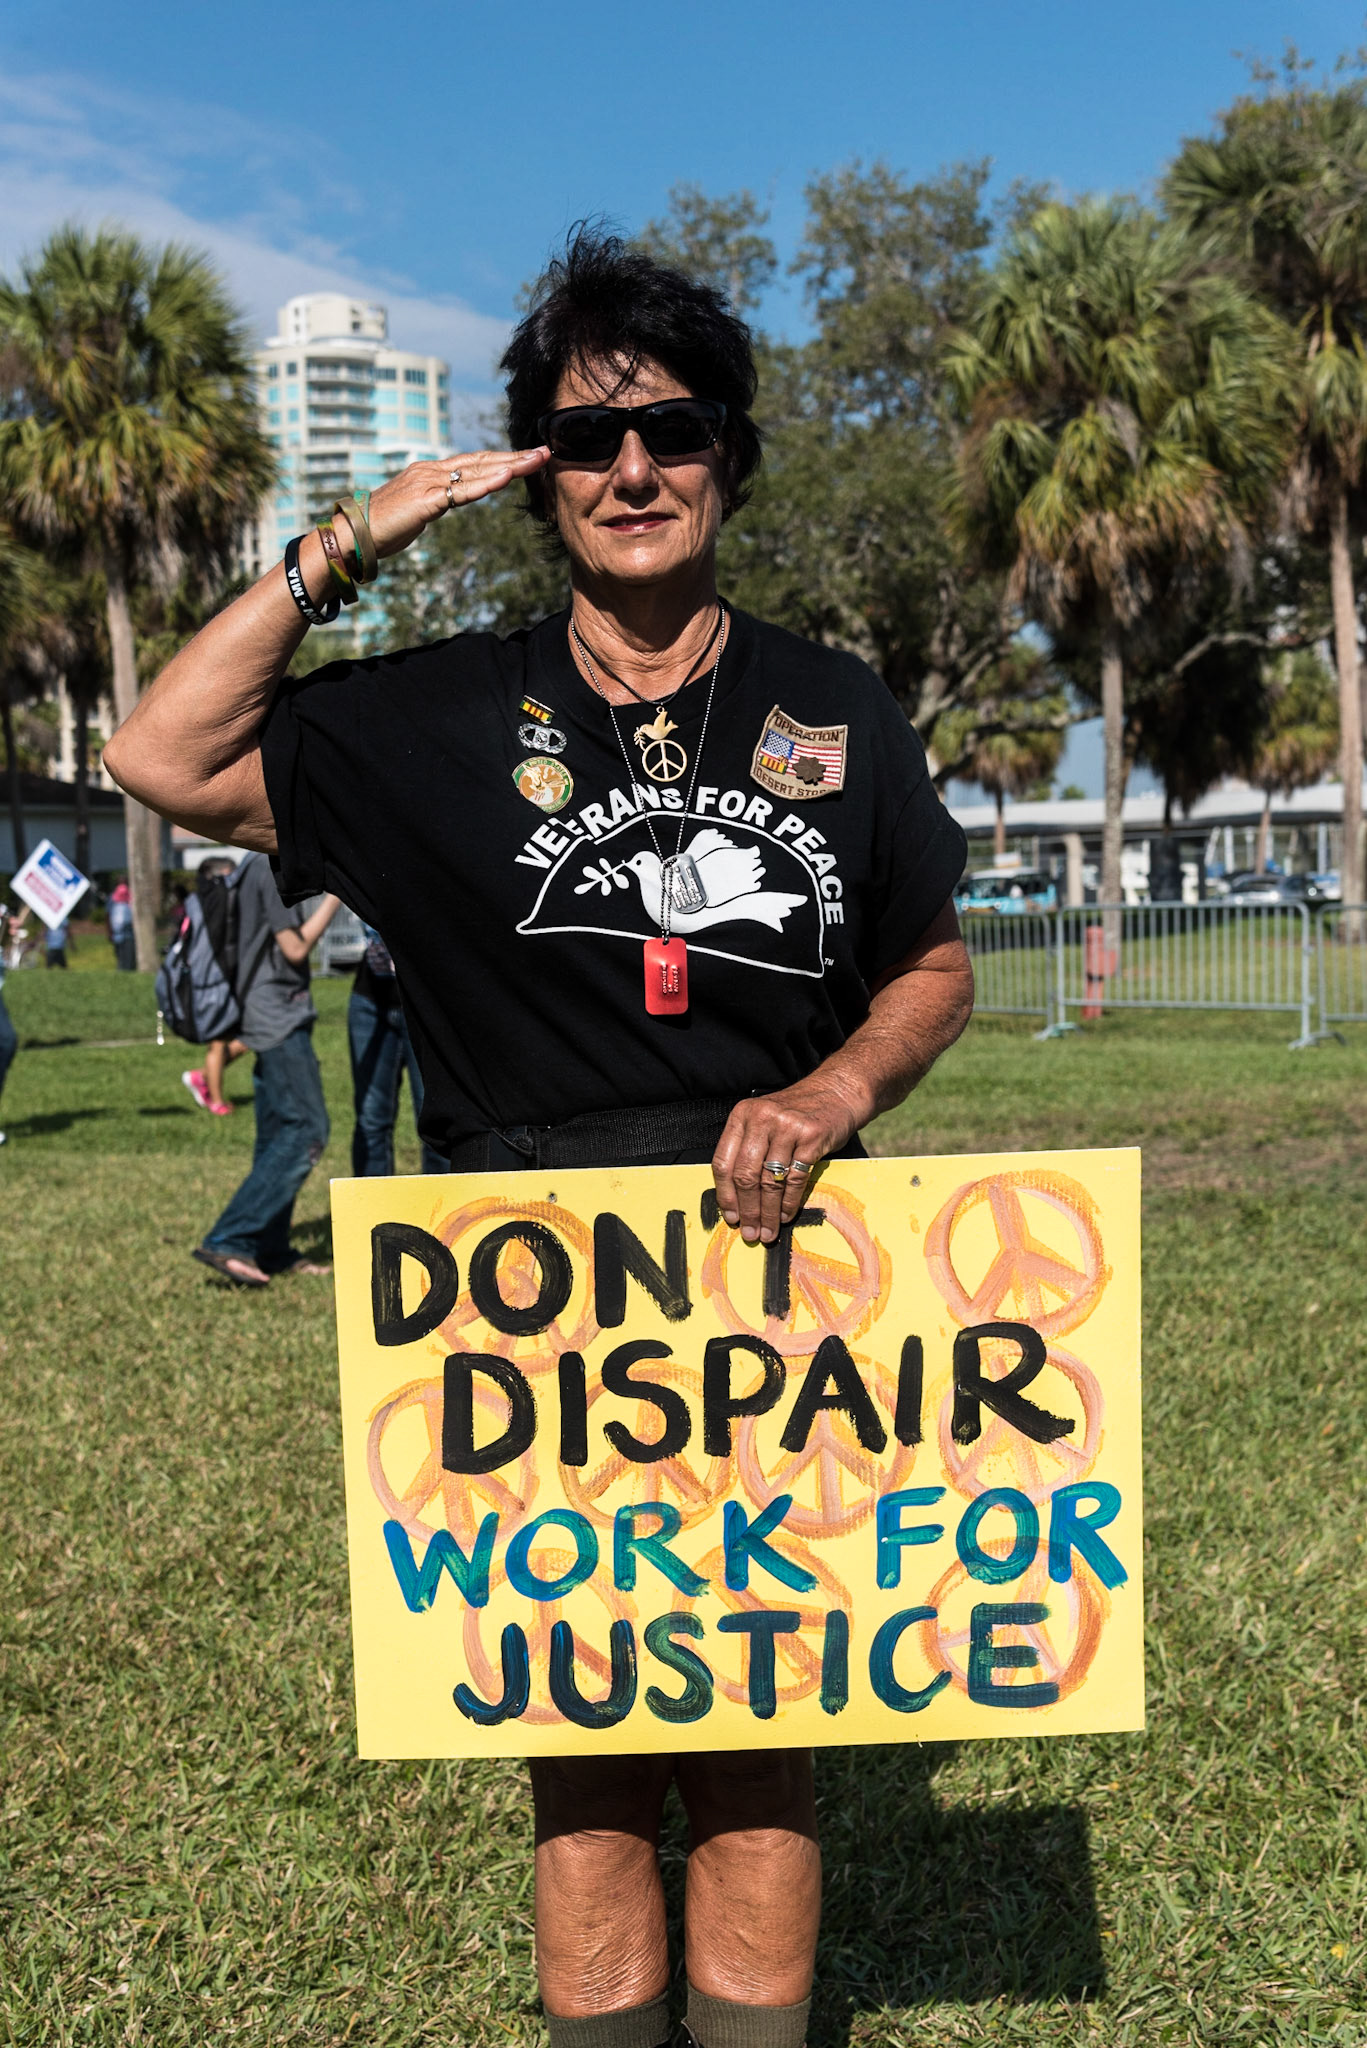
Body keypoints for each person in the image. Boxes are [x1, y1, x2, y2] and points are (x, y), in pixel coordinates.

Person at [104, 228, 974, 2048]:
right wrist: (351, 541)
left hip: (782, 1279)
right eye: (586, 438)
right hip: (526, 1290)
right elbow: (162, 756)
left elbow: (931, 963)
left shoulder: (833, 706)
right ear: (537, 473)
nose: (631, 470)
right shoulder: (430, 715)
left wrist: (833, 1093)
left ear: (728, 456)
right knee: (580, 1760)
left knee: (762, 1750)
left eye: (671, 431)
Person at [185, 851, 340, 1286]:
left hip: (262, 1014)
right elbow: (295, 947)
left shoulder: (252, 866)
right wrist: (337, 896)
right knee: (308, 1131)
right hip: (278, 1018)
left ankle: (270, 1249)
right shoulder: (269, 866)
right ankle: (230, 1238)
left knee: (276, 1135)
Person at [348, 924, 448, 1175]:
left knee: (438, 1123)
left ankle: (444, 1201)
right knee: (371, 1120)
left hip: (429, 1000)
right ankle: (373, 1201)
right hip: (372, 997)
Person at [181, 858, 248, 1116]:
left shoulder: (199, 902)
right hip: (211, 980)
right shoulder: (207, 903)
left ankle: (202, 1076)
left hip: (218, 978)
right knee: (219, 1041)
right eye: (229, 877)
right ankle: (216, 1101)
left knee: (249, 1036)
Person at [108, 878, 135, 970]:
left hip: (120, 932)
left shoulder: (113, 898)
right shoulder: (129, 897)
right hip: (125, 932)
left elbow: (108, 915)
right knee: (126, 956)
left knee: (122, 956)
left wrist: (109, 931)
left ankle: (122, 969)